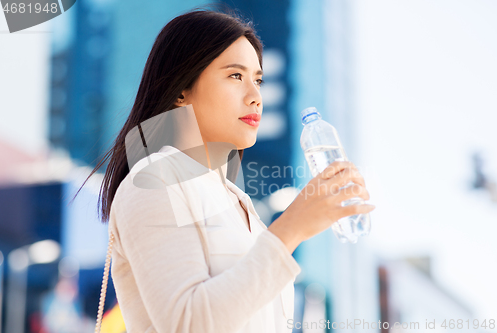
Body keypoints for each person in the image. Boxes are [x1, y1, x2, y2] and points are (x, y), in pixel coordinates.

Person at [77, 7, 375, 333]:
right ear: (181, 90)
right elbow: (187, 322)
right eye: (236, 76)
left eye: (258, 80)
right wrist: (291, 229)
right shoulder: (152, 181)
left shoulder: (238, 202)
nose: (255, 96)